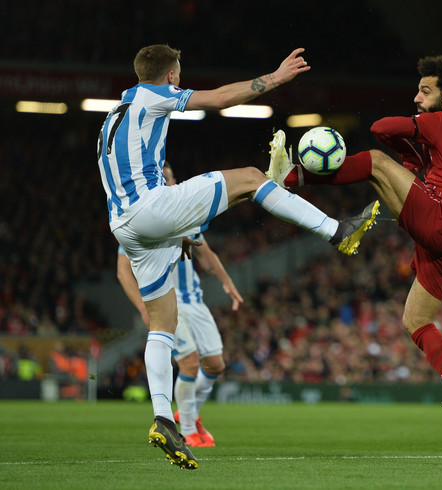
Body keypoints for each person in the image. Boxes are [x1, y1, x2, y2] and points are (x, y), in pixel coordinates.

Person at [96, 44, 378, 469]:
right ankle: (336, 231)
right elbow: (220, 99)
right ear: (171, 74)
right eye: (179, 72)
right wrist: (276, 78)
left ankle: (161, 419)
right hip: (150, 207)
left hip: (126, 225)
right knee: (250, 177)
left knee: (161, 326)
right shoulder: (154, 94)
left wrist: (174, 229)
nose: (179, 79)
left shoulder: (112, 117)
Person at [267, 55, 442, 438]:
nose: (417, 97)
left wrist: (411, 142)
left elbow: (380, 127)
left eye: (425, 91)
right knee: (416, 321)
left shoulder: (439, 121)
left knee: (376, 161)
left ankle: (292, 177)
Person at [117, 161, 242, 448]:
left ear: (175, 181)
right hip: (168, 302)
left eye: (168, 178)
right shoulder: (142, 215)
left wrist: (228, 283)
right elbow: (123, 270)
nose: (166, 183)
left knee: (215, 365)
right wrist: (141, 308)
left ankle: (189, 413)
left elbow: (206, 255)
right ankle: (186, 429)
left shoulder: (187, 213)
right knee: (189, 362)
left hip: (194, 301)